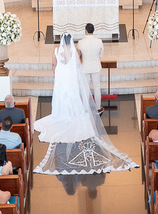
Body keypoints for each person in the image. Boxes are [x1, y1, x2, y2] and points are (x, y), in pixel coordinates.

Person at [32, 33, 136, 174]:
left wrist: (55, 74)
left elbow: (53, 64)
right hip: (70, 78)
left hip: (61, 78)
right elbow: (78, 64)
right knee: (73, 97)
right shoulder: (74, 50)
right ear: (71, 40)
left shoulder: (56, 51)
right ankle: (72, 113)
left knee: (61, 97)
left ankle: (61, 114)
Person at [78, 23, 105, 114]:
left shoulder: (81, 42)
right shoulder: (99, 41)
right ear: (93, 30)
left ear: (86, 31)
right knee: (97, 88)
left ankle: (86, 108)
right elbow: (101, 55)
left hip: (85, 68)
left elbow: (79, 55)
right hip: (96, 67)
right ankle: (98, 108)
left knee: (85, 89)